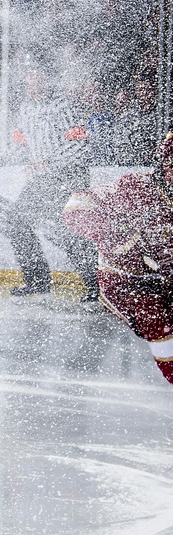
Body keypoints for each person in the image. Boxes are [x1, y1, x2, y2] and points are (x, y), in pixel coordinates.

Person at [62, 132, 173, 386]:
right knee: (153, 316)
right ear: (164, 168)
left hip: (165, 282)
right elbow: (75, 207)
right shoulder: (136, 187)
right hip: (125, 284)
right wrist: (115, 232)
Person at [0, 71, 99, 301]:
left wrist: (49, 162)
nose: (34, 81)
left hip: (69, 175)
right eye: (30, 77)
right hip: (44, 178)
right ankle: (38, 282)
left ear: (47, 79)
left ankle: (97, 285)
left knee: (69, 229)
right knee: (17, 220)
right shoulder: (26, 108)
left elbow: (80, 144)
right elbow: (21, 143)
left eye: (39, 77)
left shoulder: (65, 105)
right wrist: (0, 159)